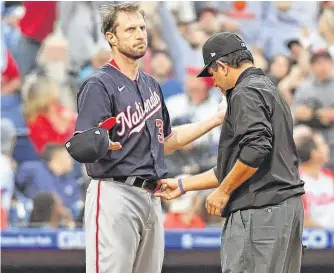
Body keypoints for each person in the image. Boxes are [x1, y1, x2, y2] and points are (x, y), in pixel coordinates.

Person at [65, 3, 226, 273]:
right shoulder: (99, 84)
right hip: (115, 191)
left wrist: (215, 120)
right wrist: (99, 142)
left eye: (141, 28)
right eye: (129, 29)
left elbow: (168, 141)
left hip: (152, 196)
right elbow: (80, 142)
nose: (140, 34)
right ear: (111, 37)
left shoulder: (151, 84)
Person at [155, 32, 305, 273]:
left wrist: (223, 191)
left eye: (212, 73)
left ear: (222, 66)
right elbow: (239, 164)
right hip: (282, 210)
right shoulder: (269, 89)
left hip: (260, 212)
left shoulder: (244, 91)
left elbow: (255, 150)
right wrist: (184, 185)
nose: (213, 82)